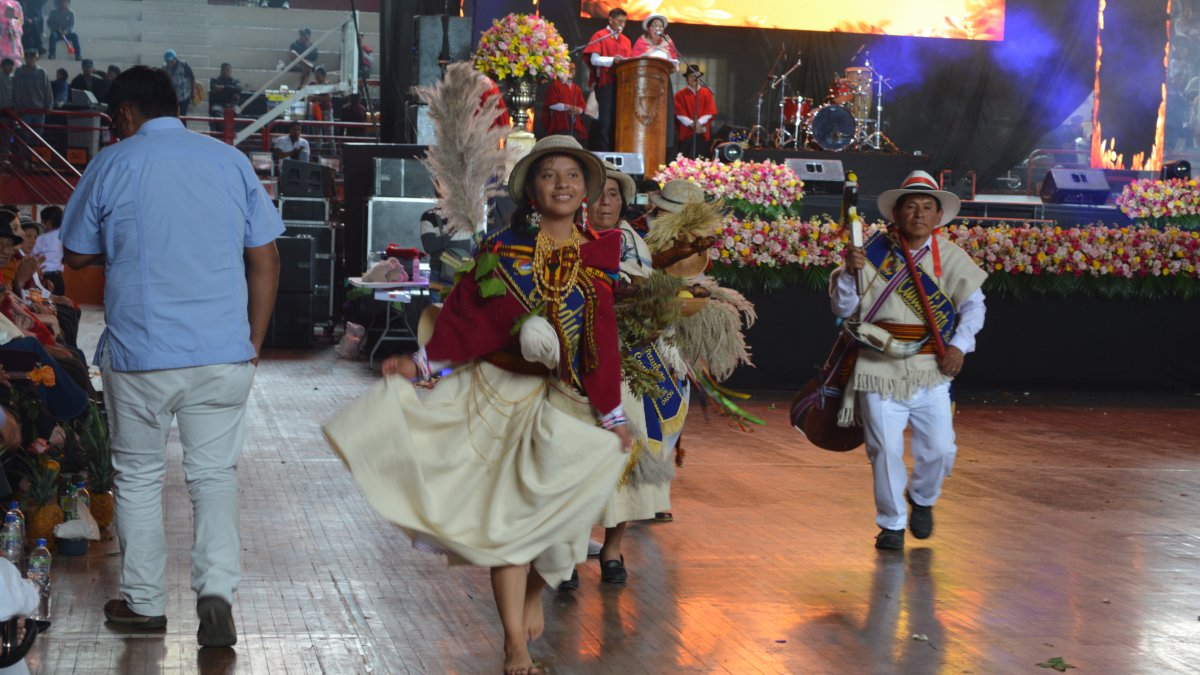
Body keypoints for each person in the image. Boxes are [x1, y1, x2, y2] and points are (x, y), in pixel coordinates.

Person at [324, 135, 631, 675]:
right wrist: (423, 365)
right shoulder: (502, 254)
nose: (561, 183)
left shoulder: (597, 260)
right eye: (548, 174)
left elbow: (601, 345)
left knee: (564, 527)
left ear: (587, 190)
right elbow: (467, 323)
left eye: (572, 175)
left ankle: (534, 592)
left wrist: (612, 414)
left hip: (564, 405)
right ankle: (515, 645)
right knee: (506, 525)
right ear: (531, 191)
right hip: (500, 399)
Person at [59, 65, 283, 646]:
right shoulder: (229, 161)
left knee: (137, 478)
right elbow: (266, 259)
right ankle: (215, 593)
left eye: (113, 121)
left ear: (126, 115)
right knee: (213, 478)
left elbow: (77, 256)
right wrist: (253, 341)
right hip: (221, 352)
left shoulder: (113, 162)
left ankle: (145, 603)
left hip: (142, 355)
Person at [830, 170, 987, 550]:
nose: (919, 214)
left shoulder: (951, 257)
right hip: (878, 366)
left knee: (940, 449)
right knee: (883, 448)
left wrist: (959, 347)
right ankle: (891, 525)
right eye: (911, 207)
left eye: (927, 208)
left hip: (931, 369)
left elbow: (974, 309)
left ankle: (922, 498)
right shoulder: (869, 253)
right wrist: (851, 274)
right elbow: (844, 307)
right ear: (896, 214)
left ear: (938, 216)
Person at [583, 8, 631, 151]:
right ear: (610, 20)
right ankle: (604, 157)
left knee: (618, 122)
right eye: (619, 21)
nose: (622, 25)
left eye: (624, 22)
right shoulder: (600, 36)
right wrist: (612, 60)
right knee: (605, 122)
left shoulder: (626, 41)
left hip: (623, 85)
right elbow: (594, 59)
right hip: (606, 84)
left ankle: (616, 152)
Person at [631, 13, 679, 152]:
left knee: (664, 115)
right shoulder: (641, 41)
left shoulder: (668, 41)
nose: (658, 29)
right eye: (654, 26)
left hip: (663, 82)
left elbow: (675, 65)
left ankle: (663, 146)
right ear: (648, 28)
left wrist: (667, 52)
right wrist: (655, 49)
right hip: (644, 83)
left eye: (660, 26)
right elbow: (634, 60)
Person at [675, 64, 716, 158]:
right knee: (684, 161)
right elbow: (679, 113)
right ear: (687, 78)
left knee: (702, 161)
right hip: (686, 132)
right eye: (691, 76)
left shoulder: (707, 93)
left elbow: (709, 111)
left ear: (700, 78)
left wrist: (698, 123)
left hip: (702, 132)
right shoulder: (680, 95)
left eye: (696, 76)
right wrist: (691, 124)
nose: (694, 78)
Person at [541, 60, 587, 141]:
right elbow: (551, 104)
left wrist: (578, 110)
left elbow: (582, 107)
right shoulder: (555, 85)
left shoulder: (577, 89)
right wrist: (568, 107)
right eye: (569, 68)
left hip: (573, 126)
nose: (571, 71)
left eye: (573, 69)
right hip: (558, 125)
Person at [31, 204, 62, 295]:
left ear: (48, 222)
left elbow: (30, 254)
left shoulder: (43, 238)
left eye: (42, 221)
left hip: (45, 278)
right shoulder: (63, 236)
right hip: (59, 278)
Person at [207, 62, 241, 132]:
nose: (225, 71)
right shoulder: (214, 80)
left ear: (231, 71)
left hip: (232, 104)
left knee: (238, 112)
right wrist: (231, 90)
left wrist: (223, 88)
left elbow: (238, 89)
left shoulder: (236, 81)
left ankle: (232, 132)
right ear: (220, 71)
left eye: (227, 70)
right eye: (223, 70)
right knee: (215, 111)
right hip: (219, 104)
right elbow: (213, 88)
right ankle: (226, 131)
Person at [162, 50, 194, 115]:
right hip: (171, 98)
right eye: (167, 61)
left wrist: (192, 92)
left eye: (171, 61)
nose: (169, 63)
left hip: (183, 96)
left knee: (182, 117)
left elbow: (192, 78)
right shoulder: (164, 68)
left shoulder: (183, 65)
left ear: (175, 59)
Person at [0, 0, 20, 68]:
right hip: (6, 29)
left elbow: (13, 19)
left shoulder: (12, 4)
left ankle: (12, 60)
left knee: (11, 47)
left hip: (9, 30)